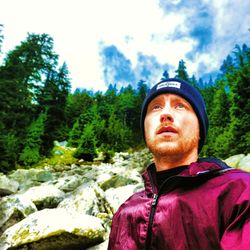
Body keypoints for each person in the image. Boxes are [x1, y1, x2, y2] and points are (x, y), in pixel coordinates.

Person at [108, 78, 250, 250]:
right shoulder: (125, 211)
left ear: (200, 130)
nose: (165, 114)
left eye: (180, 106)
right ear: (145, 131)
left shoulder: (239, 192)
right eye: (156, 107)